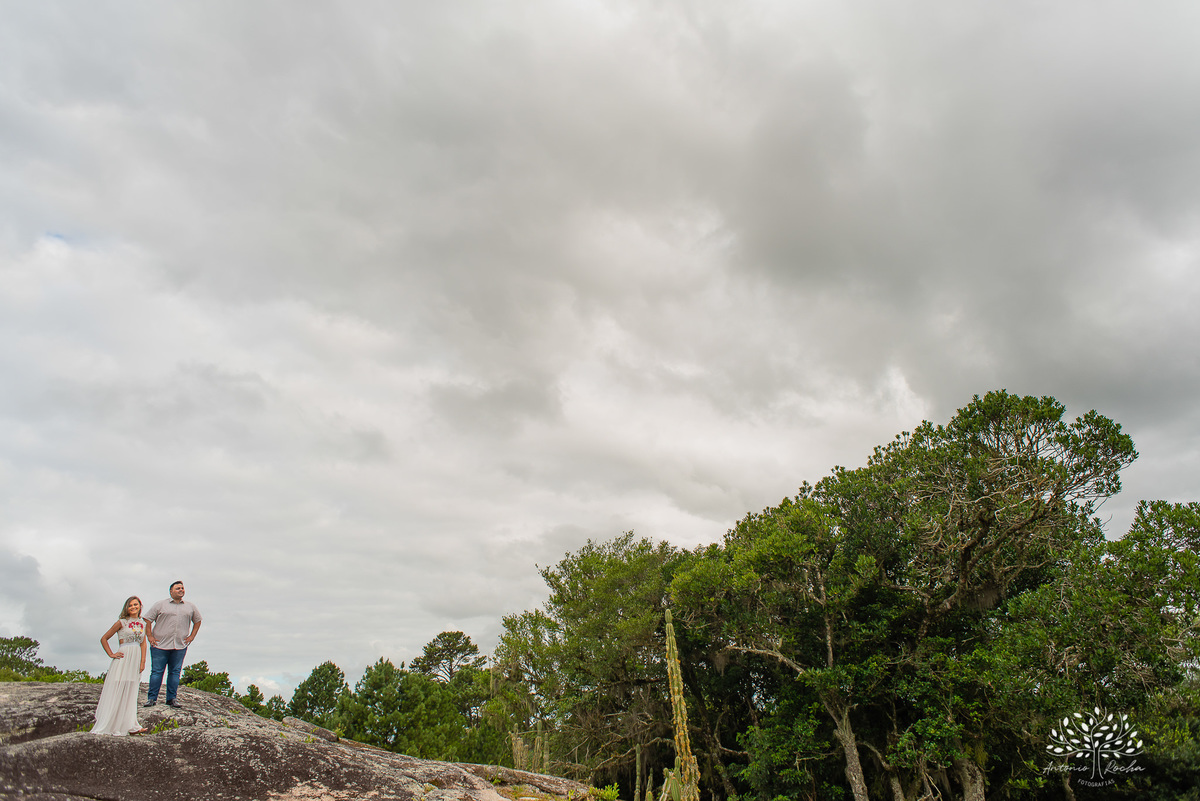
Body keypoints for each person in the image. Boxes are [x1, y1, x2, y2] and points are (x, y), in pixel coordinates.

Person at [91, 595, 149, 735]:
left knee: (131, 690)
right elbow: (104, 638)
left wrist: (143, 661)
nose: (133, 607)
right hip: (123, 656)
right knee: (119, 689)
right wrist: (111, 654)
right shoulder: (122, 622)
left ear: (140, 606)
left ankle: (131, 725)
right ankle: (113, 726)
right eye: (130, 605)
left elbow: (143, 643)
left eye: (136, 604)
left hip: (135, 658)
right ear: (127, 608)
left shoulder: (143, 623)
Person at [143, 580, 202, 709]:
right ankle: (151, 699)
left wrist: (192, 636)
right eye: (177, 588)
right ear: (171, 591)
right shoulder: (160, 605)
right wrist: (150, 636)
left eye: (182, 588)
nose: (181, 590)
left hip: (179, 645)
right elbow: (147, 619)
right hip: (160, 645)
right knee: (157, 672)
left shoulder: (190, 606)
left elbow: (198, 621)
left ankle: (172, 699)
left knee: (175, 672)